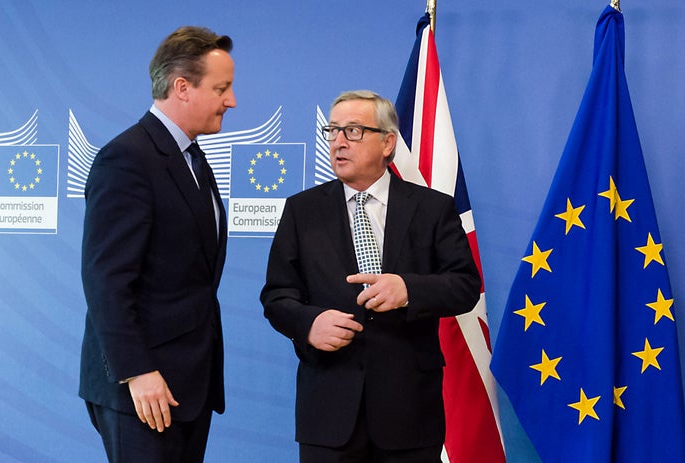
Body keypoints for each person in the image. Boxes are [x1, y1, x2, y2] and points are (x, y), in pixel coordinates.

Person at [260, 90, 481, 462]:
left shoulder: (432, 208)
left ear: (387, 142)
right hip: (328, 410)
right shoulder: (302, 211)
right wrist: (310, 323)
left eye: (353, 131)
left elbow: (465, 286)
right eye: (332, 131)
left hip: (409, 410)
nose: (339, 142)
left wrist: (408, 289)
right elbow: (277, 296)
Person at [79, 26, 235, 463]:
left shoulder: (193, 156)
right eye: (222, 88)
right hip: (143, 388)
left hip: (187, 384)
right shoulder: (127, 158)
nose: (232, 100)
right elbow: (106, 280)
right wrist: (137, 372)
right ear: (182, 87)